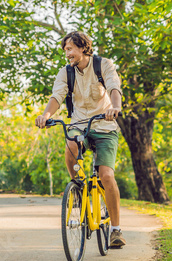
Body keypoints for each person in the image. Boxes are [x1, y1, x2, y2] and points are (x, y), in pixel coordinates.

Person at [35, 31, 126, 248]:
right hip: (79, 124)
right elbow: (56, 96)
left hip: (104, 125)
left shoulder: (103, 65)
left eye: (70, 49)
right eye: (65, 50)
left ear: (83, 48)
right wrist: (46, 115)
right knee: (70, 148)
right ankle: (77, 188)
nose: (67, 54)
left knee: (106, 175)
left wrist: (115, 107)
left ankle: (115, 230)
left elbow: (114, 87)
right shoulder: (66, 73)